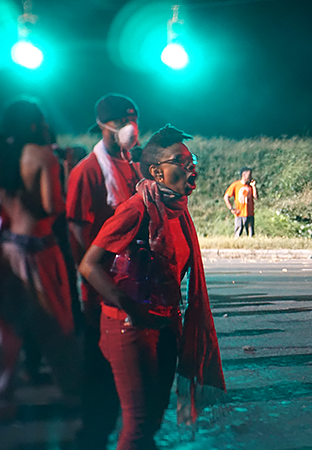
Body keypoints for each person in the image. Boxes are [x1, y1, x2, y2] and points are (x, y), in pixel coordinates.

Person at [79, 125, 225, 450]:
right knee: (138, 423)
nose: (191, 166)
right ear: (157, 172)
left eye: (192, 159)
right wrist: (128, 306)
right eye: (181, 160)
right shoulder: (136, 209)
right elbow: (89, 264)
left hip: (166, 324)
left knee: (153, 421)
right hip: (129, 328)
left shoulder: (178, 209)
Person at [0, 98, 82, 405]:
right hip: (39, 250)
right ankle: (74, 394)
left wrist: (5, 207)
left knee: (8, 328)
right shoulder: (43, 157)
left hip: (5, 249)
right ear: (36, 124)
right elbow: (53, 208)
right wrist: (66, 170)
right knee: (56, 325)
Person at [66, 93, 142, 450]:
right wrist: (98, 285)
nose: (131, 127)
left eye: (134, 118)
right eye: (124, 119)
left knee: (130, 378)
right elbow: (79, 241)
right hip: (100, 293)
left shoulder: (134, 166)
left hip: (132, 288)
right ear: (103, 124)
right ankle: (91, 437)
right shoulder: (87, 172)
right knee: (100, 373)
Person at [224, 166, 258, 237]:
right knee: (238, 233)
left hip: (249, 213)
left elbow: (256, 197)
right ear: (244, 175)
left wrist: (254, 186)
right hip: (239, 213)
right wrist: (231, 209)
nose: (250, 176)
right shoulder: (235, 185)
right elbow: (226, 197)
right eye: (249, 175)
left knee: (251, 234)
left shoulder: (250, 186)